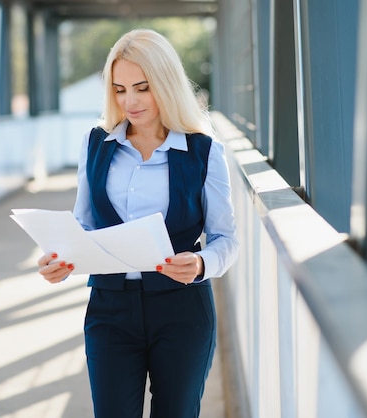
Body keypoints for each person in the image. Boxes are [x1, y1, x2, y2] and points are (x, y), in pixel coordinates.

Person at [36, 28, 239, 418]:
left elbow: (225, 238)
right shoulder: (95, 144)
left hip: (182, 311)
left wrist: (200, 264)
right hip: (110, 310)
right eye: (119, 89)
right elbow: (84, 227)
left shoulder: (204, 151)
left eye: (142, 87)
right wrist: (58, 261)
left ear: (165, 83)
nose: (129, 101)